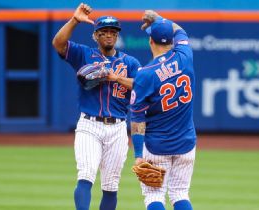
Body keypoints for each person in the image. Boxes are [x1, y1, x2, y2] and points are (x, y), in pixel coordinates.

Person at [52, 3, 141, 210]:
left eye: (113, 32)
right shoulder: (84, 54)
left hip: (118, 128)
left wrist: (115, 77)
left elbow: (142, 85)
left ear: (117, 36)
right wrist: (75, 20)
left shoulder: (130, 62)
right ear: (96, 36)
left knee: (111, 186)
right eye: (104, 32)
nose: (109, 35)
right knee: (86, 175)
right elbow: (58, 43)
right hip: (89, 126)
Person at [130, 10, 197, 210]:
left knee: (154, 195)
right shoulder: (185, 56)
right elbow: (180, 31)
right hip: (186, 143)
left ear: (151, 41)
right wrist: (160, 19)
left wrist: (138, 154)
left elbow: (137, 118)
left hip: (157, 145)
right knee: (180, 193)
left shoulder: (145, 74)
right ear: (171, 42)